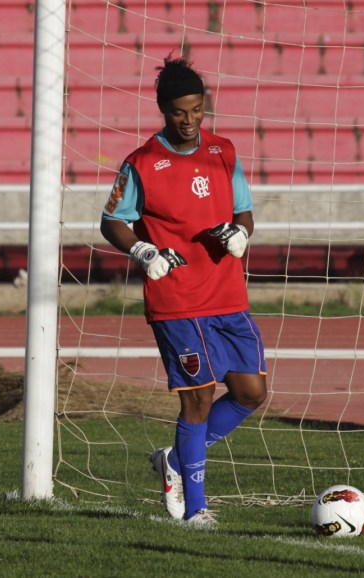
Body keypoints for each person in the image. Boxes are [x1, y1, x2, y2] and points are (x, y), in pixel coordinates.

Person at [100, 55, 268, 525]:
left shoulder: (224, 152)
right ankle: (196, 509)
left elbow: (244, 210)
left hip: (227, 294)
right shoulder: (142, 163)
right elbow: (112, 221)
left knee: (252, 393)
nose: (190, 120)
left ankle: (174, 459)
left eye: (197, 110)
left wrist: (241, 234)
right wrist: (144, 253)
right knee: (197, 396)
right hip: (175, 298)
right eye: (180, 111)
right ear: (162, 109)